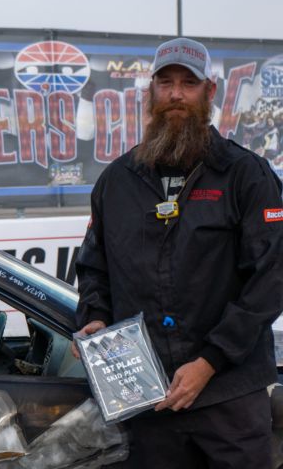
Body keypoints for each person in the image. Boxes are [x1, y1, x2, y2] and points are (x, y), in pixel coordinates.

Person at [72, 37, 283, 469]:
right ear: (151, 93)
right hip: (148, 403)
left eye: (188, 83)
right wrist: (94, 315)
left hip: (231, 399)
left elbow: (272, 278)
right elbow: (95, 267)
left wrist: (210, 361)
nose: (175, 94)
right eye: (165, 83)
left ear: (210, 92)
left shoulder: (246, 176)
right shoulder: (116, 182)